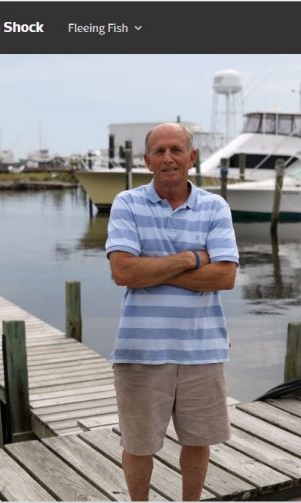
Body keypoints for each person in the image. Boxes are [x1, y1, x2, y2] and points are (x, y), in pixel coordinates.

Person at [105, 122, 238, 501]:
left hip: (202, 348)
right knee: (139, 444)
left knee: (198, 441)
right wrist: (190, 259)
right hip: (141, 349)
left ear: (192, 158)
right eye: (159, 151)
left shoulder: (215, 207)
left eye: (176, 150)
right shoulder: (127, 203)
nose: (168, 158)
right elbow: (123, 271)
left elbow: (226, 276)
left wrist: (152, 270)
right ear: (147, 161)